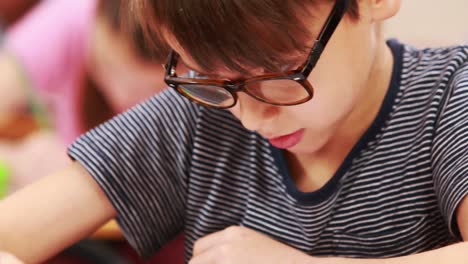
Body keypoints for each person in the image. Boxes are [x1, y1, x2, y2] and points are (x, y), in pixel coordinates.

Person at [1, 0, 467, 263]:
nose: (250, 116)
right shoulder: (200, 115)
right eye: (207, 77)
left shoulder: (451, 94)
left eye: (279, 74)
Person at [0, 0, 183, 262]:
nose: (120, 97)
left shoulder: (204, 89)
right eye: (106, 69)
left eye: (150, 98)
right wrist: (15, 158)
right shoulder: (72, 17)